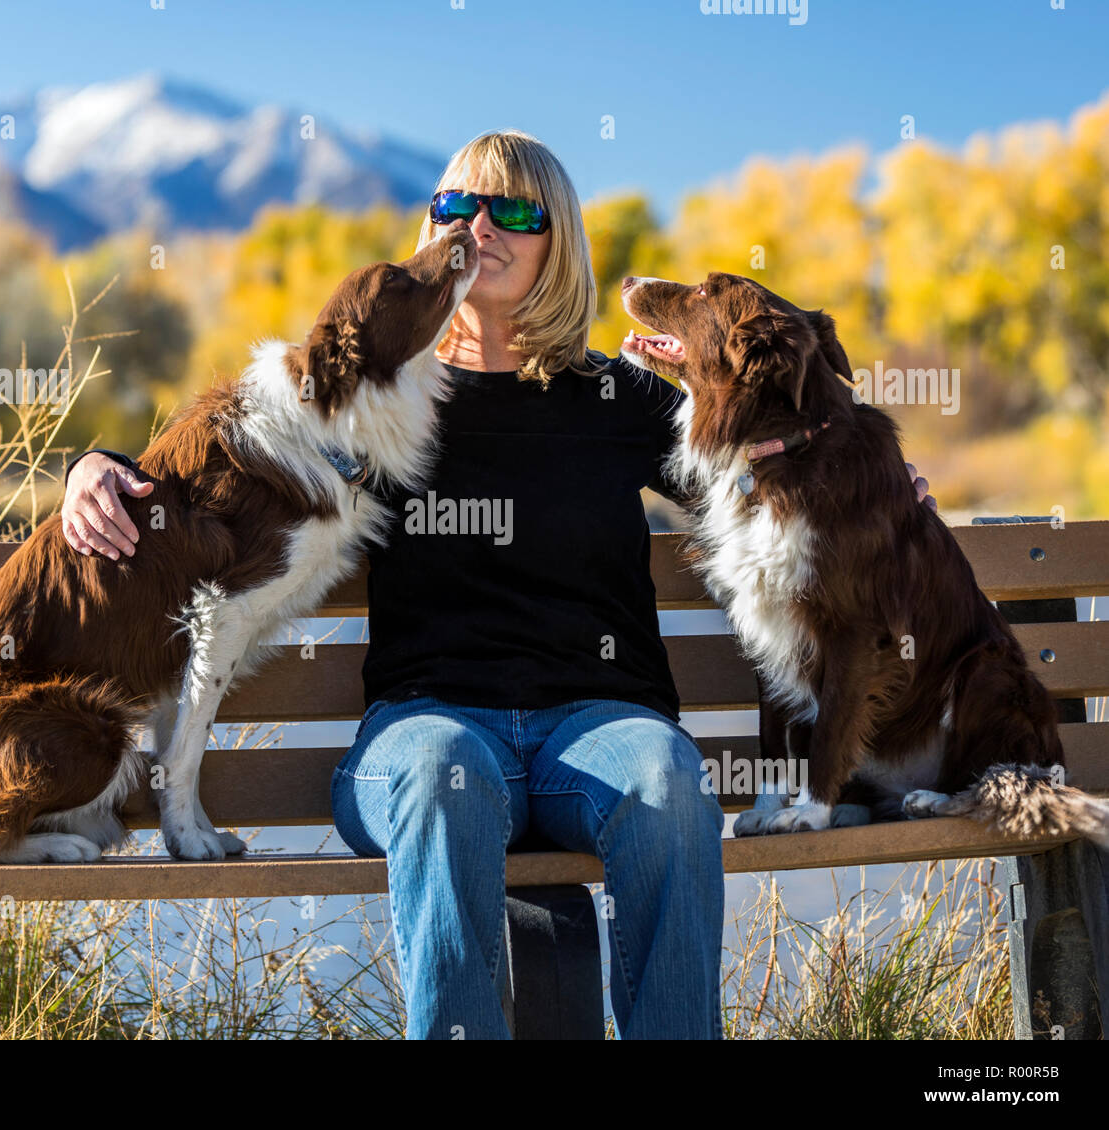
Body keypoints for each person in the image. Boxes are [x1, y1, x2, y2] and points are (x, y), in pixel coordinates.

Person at [60, 129, 935, 1040]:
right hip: (427, 730)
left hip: (599, 729)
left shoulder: (619, 400)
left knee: (672, 785)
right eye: (456, 206)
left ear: (560, 244)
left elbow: (774, 458)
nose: (482, 226)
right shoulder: (383, 396)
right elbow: (215, 471)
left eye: (515, 211)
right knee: (444, 775)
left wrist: (875, 487)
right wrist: (95, 465)